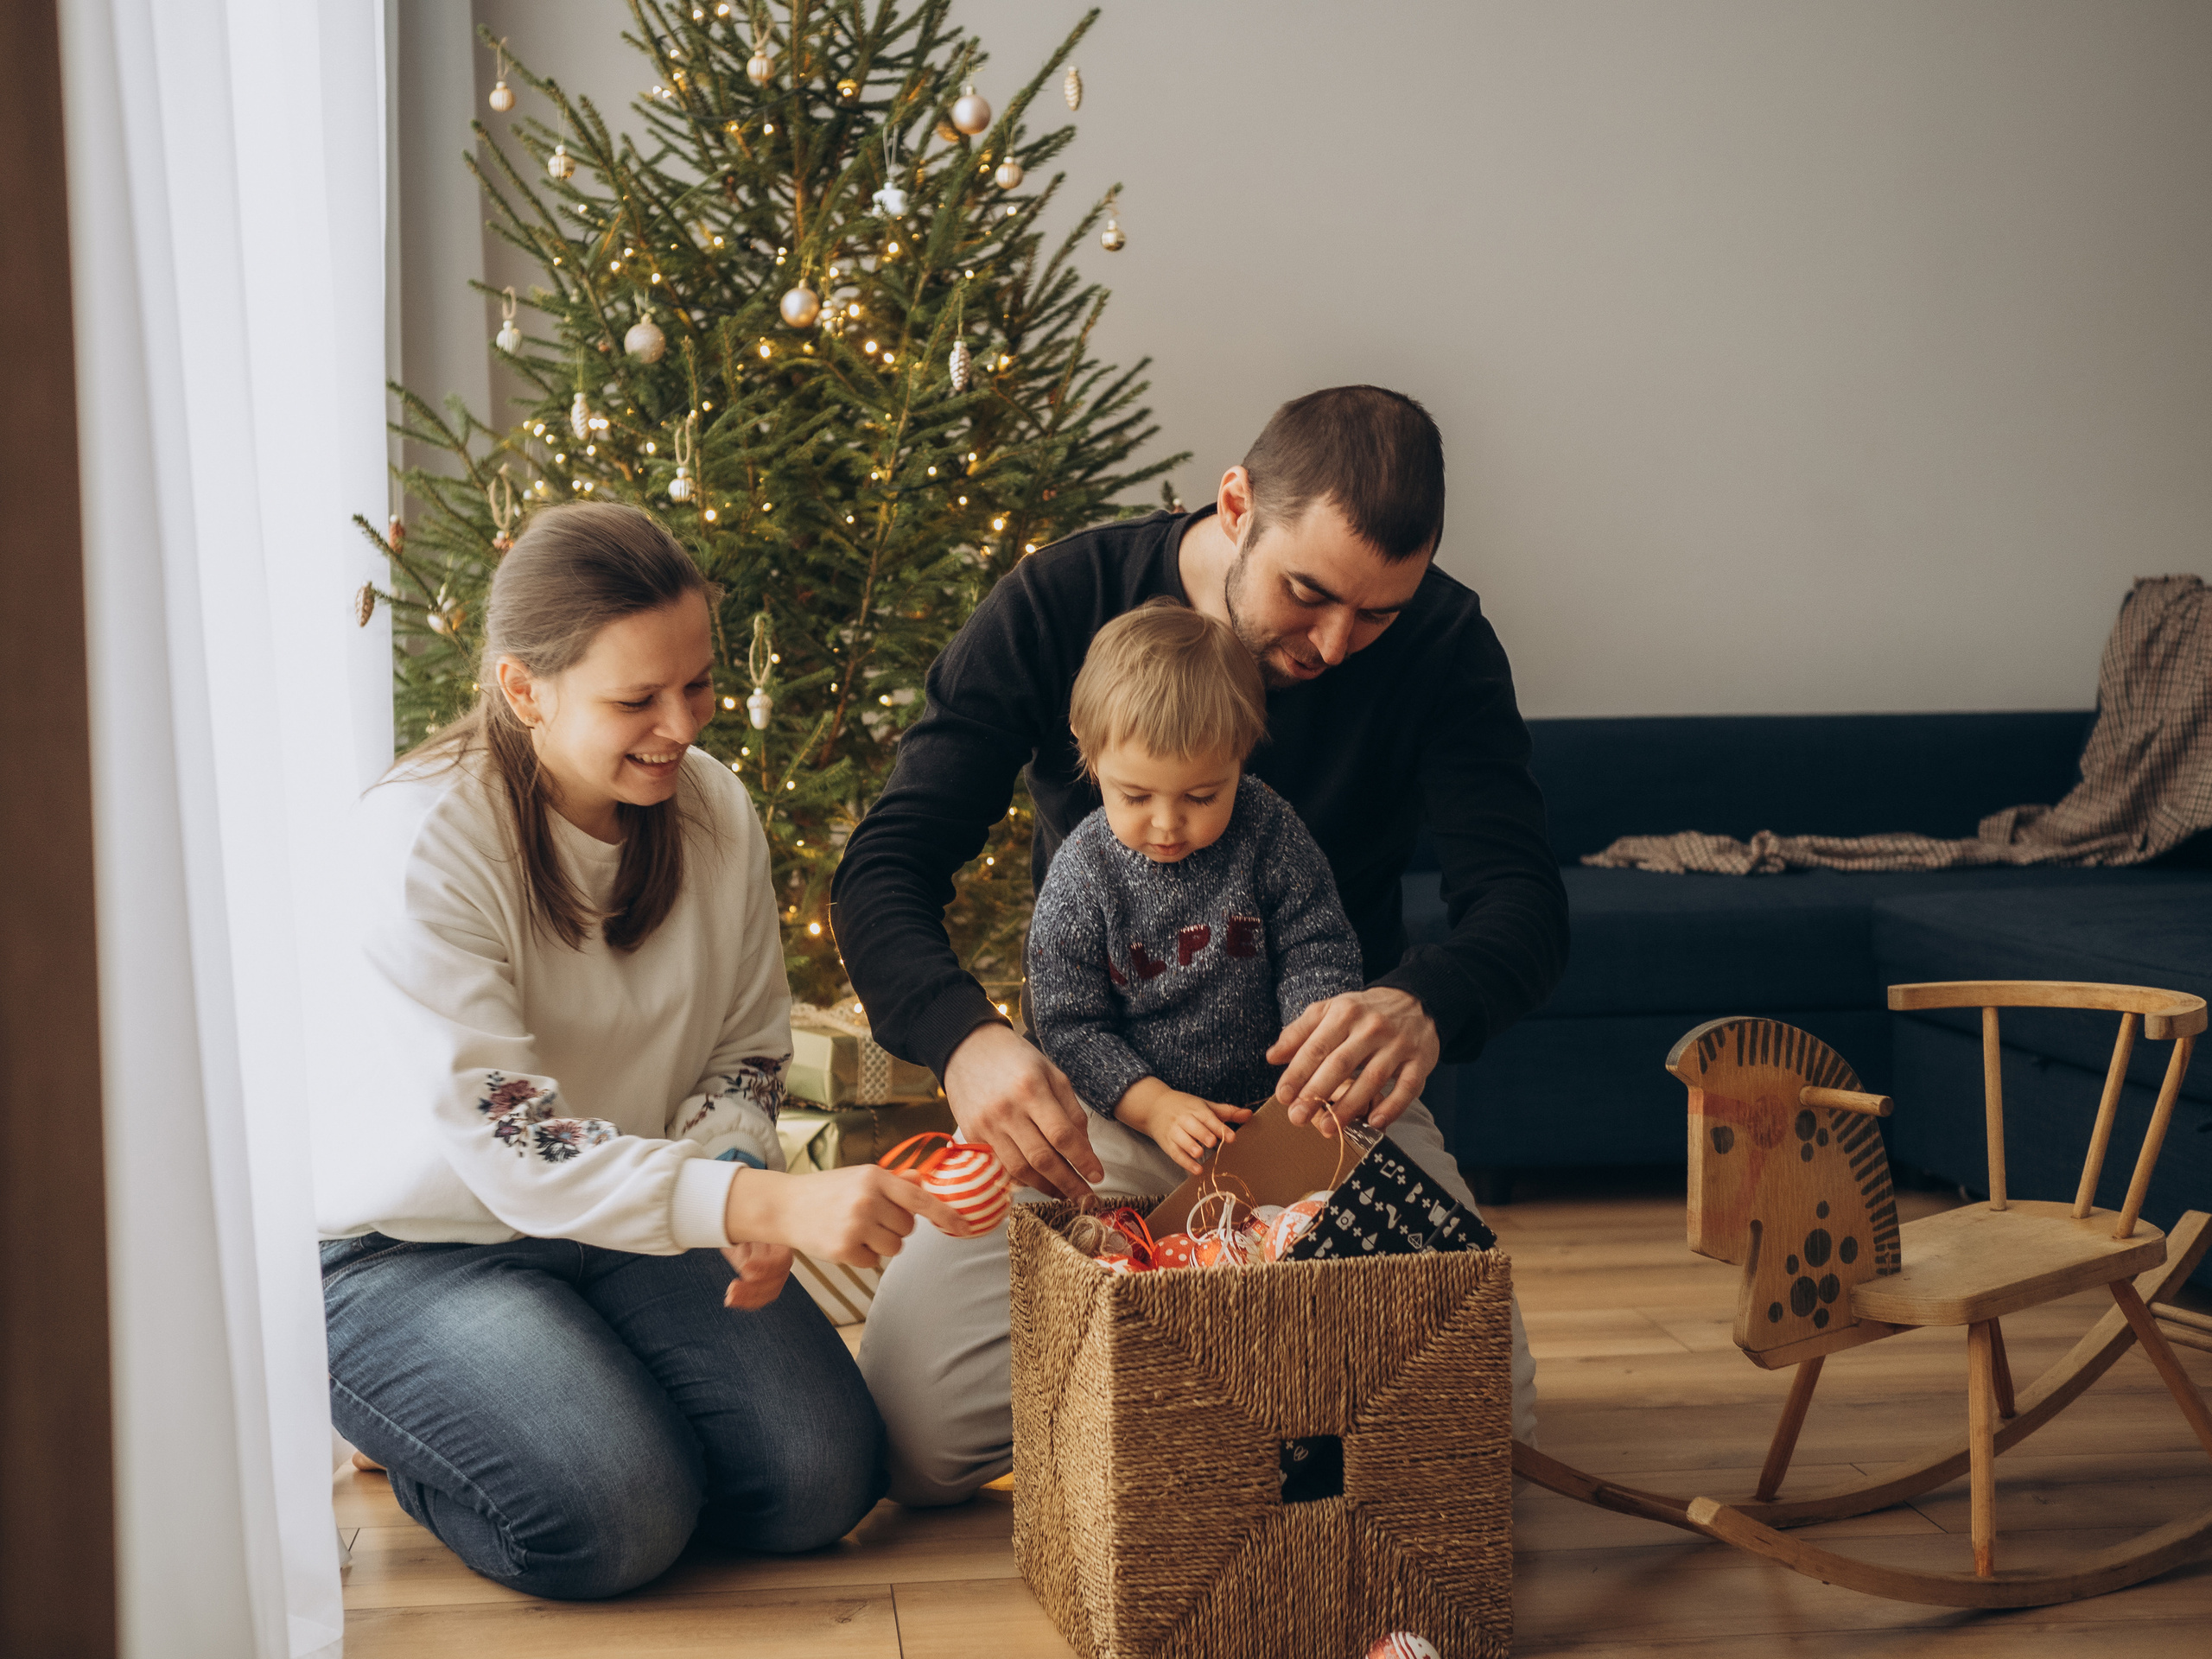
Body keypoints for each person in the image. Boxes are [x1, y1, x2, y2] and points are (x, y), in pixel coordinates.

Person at [833, 386, 1567, 1503]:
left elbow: (1521, 902)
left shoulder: (1444, 644)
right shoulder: (1061, 598)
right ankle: (1194, 1397)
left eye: (1376, 615)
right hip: (1090, 1103)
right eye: (1307, 593)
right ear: (1237, 504)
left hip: (1315, 1096)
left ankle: (1250, 1416)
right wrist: (967, 1043)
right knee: (916, 1440)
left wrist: (1418, 1005)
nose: (1333, 644)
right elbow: (886, 866)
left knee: (1479, 1429)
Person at [316, 502, 967, 1599]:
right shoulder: (425, 842)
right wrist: (761, 1213)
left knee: (821, 1482)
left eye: (697, 684)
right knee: (616, 1523)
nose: (682, 724)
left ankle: (573, 1383)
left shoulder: (712, 810)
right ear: (525, 689)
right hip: (416, 1248)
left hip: (629, 1225)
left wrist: (735, 1173)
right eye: (636, 699)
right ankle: (425, 1428)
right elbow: (516, 1141)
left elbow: (748, 1051)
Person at [1027, 599, 1364, 1171]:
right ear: (1088, 746)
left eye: (1202, 796)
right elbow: (1069, 1025)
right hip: (1132, 1121)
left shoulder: (1269, 831)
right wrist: (1153, 1105)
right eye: (1135, 796)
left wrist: (1314, 1043)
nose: (1165, 823)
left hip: (1279, 1110)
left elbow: (1318, 945)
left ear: (1241, 754)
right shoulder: (1084, 876)